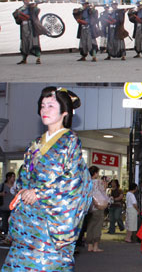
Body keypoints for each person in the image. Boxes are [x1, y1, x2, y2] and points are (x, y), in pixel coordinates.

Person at [1, 86, 92, 271]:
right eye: (42, 106)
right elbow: (23, 176)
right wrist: (23, 191)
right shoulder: (35, 143)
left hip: (50, 221)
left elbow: (73, 181)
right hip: (26, 219)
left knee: (45, 264)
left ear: (64, 111)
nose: (44, 110)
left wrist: (39, 192)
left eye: (51, 105)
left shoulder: (70, 141)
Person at [12, 0, 48, 65]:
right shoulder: (21, 8)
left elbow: (36, 12)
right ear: (23, 0)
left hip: (32, 26)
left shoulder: (32, 7)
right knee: (24, 43)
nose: (27, 0)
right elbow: (16, 15)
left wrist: (35, 6)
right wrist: (21, 11)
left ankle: (38, 58)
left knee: (35, 42)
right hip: (24, 27)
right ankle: (24, 59)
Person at [86, 165, 108, 253]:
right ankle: (95, 246)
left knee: (90, 226)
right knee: (97, 226)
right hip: (99, 205)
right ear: (95, 173)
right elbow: (103, 190)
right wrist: (105, 183)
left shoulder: (87, 182)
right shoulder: (97, 182)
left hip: (90, 207)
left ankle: (89, 246)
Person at [0, 172, 15, 237]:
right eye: (13, 177)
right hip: (4, 208)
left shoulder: (15, 186)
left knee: (13, 223)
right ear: (8, 178)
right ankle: (4, 235)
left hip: (13, 209)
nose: (14, 178)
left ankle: (11, 236)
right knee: (4, 223)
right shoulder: (2, 185)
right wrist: (1, 194)